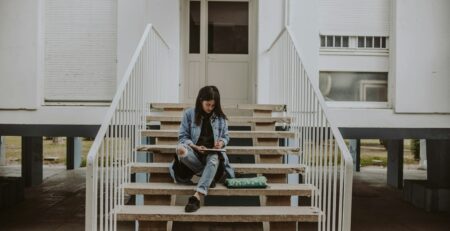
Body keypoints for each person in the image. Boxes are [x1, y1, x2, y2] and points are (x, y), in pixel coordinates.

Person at [168, 85, 235, 213]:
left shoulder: (221, 118)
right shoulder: (189, 114)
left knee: (214, 157)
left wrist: (221, 143)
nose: (210, 108)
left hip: (212, 157)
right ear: (200, 101)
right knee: (181, 150)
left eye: (213, 105)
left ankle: (197, 197)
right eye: (207, 104)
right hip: (195, 155)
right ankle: (209, 175)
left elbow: (226, 137)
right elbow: (182, 137)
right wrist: (194, 146)